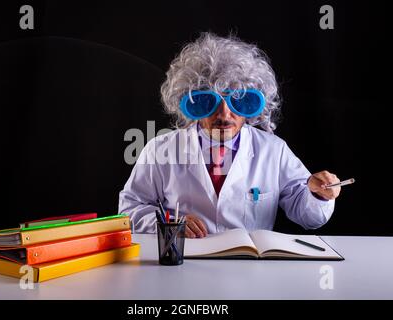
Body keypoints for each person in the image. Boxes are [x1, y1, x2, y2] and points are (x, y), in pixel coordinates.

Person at [119, 32, 341, 238]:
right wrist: (170, 222)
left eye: (238, 100)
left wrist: (318, 194)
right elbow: (129, 210)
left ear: (253, 105)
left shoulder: (273, 150)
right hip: (185, 264)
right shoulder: (160, 150)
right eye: (210, 101)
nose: (224, 114)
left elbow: (309, 218)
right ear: (192, 103)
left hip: (250, 270)